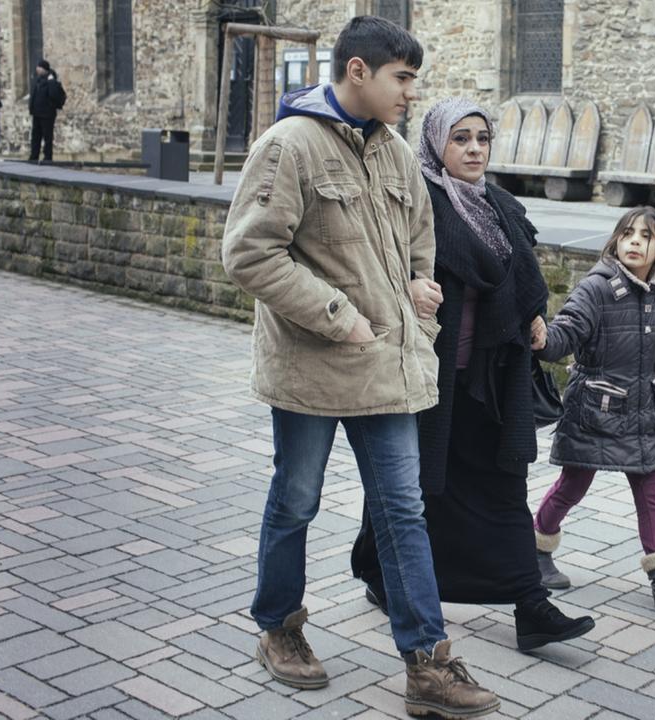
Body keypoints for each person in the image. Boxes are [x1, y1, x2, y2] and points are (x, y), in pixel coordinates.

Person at [221, 17, 499, 718]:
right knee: (297, 499)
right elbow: (250, 254)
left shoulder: (399, 154)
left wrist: (421, 304)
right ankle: (277, 625)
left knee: (403, 509)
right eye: (401, 79)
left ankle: (427, 663)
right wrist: (337, 316)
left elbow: (420, 248)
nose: (410, 93)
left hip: (386, 367)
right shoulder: (289, 146)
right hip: (314, 367)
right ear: (357, 72)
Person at [350, 98, 596, 653]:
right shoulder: (416, 201)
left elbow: (524, 276)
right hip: (425, 376)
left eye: (482, 139)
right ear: (437, 143)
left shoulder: (501, 206)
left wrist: (533, 313)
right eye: (460, 139)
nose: (474, 149)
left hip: (492, 376)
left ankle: (530, 606)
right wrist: (410, 288)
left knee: (506, 485)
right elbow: (378, 269)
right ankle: (375, 567)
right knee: (414, 488)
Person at [529, 207, 655, 620]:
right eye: (627, 233)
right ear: (615, 240)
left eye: (645, 236)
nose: (634, 241)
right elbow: (566, 333)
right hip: (595, 408)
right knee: (573, 484)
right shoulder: (596, 288)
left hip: (643, 410)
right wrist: (543, 337)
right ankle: (536, 547)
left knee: (652, 490)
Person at [28, 60, 65, 162]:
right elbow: (34, 95)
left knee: (47, 137)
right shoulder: (37, 81)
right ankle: (34, 156)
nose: (37, 69)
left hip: (47, 114)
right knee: (35, 136)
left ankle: (48, 157)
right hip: (37, 113)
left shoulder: (52, 81)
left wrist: (51, 81)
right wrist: (31, 108)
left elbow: (54, 95)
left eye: (39, 67)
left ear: (44, 69)